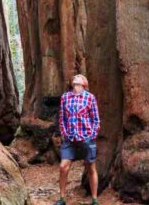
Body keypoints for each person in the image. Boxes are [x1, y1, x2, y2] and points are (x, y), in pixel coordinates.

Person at [55, 74, 100, 205]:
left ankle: (94, 199)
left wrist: (92, 135)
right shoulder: (65, 97)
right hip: (69, 139)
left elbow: (96, 119)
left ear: (84, 84)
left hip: (86, 138)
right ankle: (62, 198)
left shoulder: (90, 98)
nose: (76, 80)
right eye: (74, 81)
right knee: (63, 166)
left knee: (90, 167)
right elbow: (62, 117)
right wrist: (64, 133)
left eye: (79, 80)